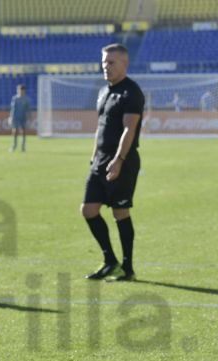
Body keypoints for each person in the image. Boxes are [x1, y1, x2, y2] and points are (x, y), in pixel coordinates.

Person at [81, 43, 144, 282]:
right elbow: (101, 127)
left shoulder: (131, 92)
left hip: (123, 161)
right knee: (88, 210)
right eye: (104, 62)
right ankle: (110, 261)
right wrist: (94, 156)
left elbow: (129, 129)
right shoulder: (103, 92)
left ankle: (127, 268)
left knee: (120, 212)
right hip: (100, 160)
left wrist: (119, 160)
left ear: (124, 63)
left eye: (111, 62)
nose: (106, 67)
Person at [9, 84, 31, 152]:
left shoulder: (26, 99)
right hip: (16, 117)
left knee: (23, 131)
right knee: (15, 131)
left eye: (22, 90)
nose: (20, 92)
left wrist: (29, 117)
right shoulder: (15, 98)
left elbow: (28, 109)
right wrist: (11, 117)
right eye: (19, 90)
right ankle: (14, 146)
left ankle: (23, 147)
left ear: (24, 91)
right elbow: (13, 109)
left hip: (23, 117)